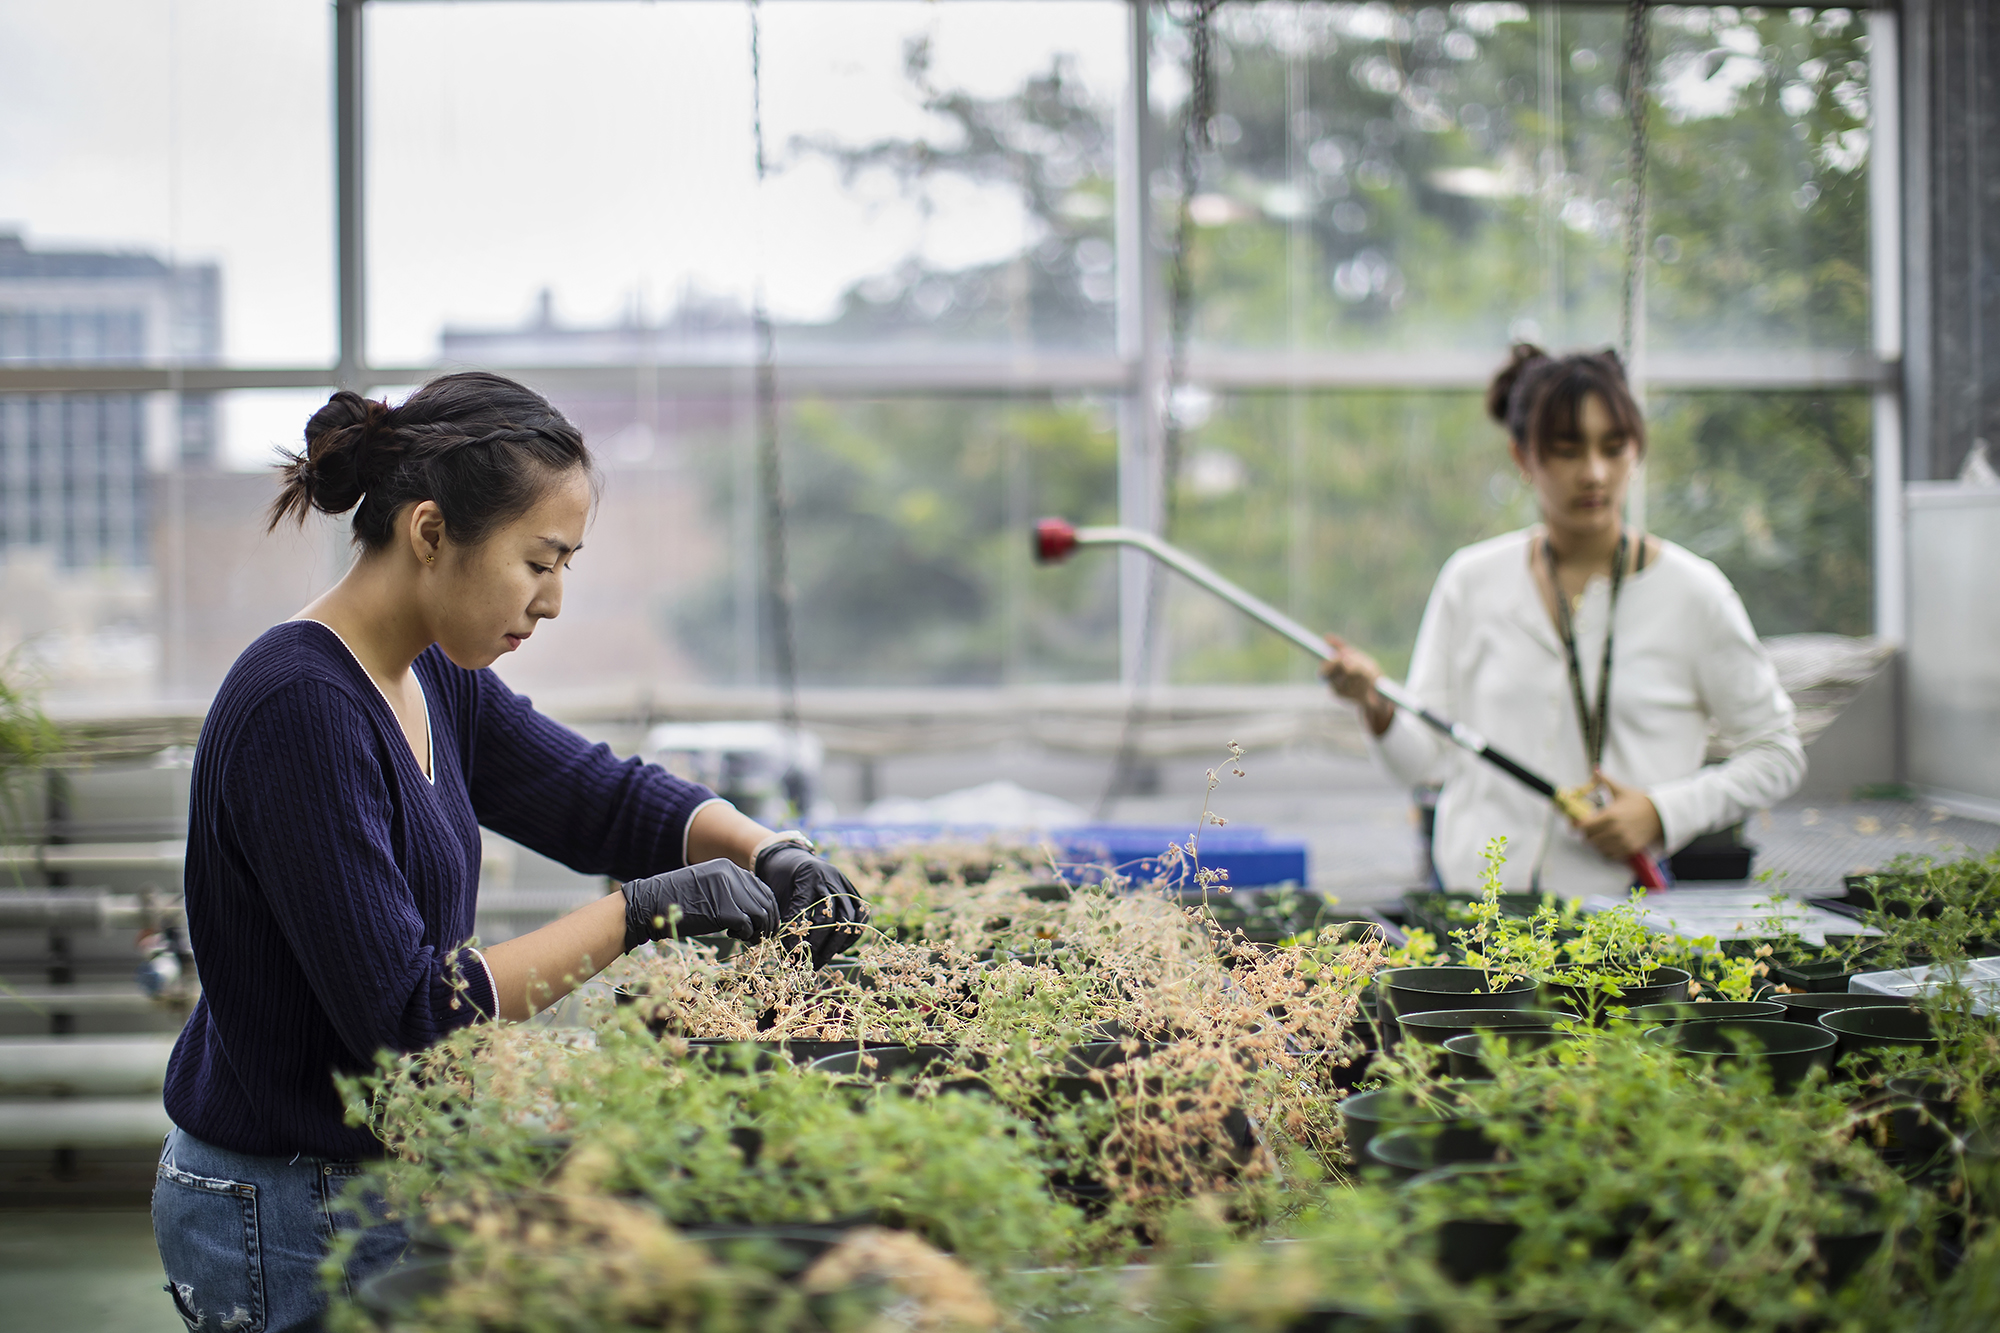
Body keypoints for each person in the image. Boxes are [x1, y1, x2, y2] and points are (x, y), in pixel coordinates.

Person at [151, 373, 868, 1331]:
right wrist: (640, 913)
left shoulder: (436, 677)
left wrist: (767, 847)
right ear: (431, 532)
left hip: (379, 1180)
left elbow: (600, 798)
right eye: (540, 561)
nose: (556, 599)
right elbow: (410, 1014)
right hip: (286, 1208)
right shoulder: (303, 707)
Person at [1322, 345, 1805, 897]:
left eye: (1613, 447)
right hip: (1475, 915)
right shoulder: (1472, 581)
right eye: (1567, 450)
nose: (1594, 473)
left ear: (1636, 453)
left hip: (1620, 922)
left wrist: (1661, 812)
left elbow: (1777, 752)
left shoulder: (1694, 594)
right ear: (1522, 457)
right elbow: (1423, 761)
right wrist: (1375, 702)